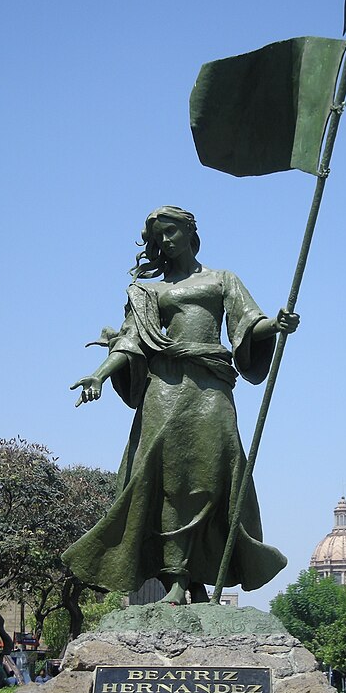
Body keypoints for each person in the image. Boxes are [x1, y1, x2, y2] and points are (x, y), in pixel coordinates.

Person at [63, 207, 299, 605]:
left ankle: (197, 578)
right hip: (165, 389)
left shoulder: (223, 279)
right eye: (159, 237)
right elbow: (131, 341)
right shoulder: (148, 292)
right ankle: (178, 579)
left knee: (212, 479)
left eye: (171, 232)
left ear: (190, 231)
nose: (165, 241)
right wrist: (100, 375)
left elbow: (247, 323)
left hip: (211, 388)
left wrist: (276, 325)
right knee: (168, 482)